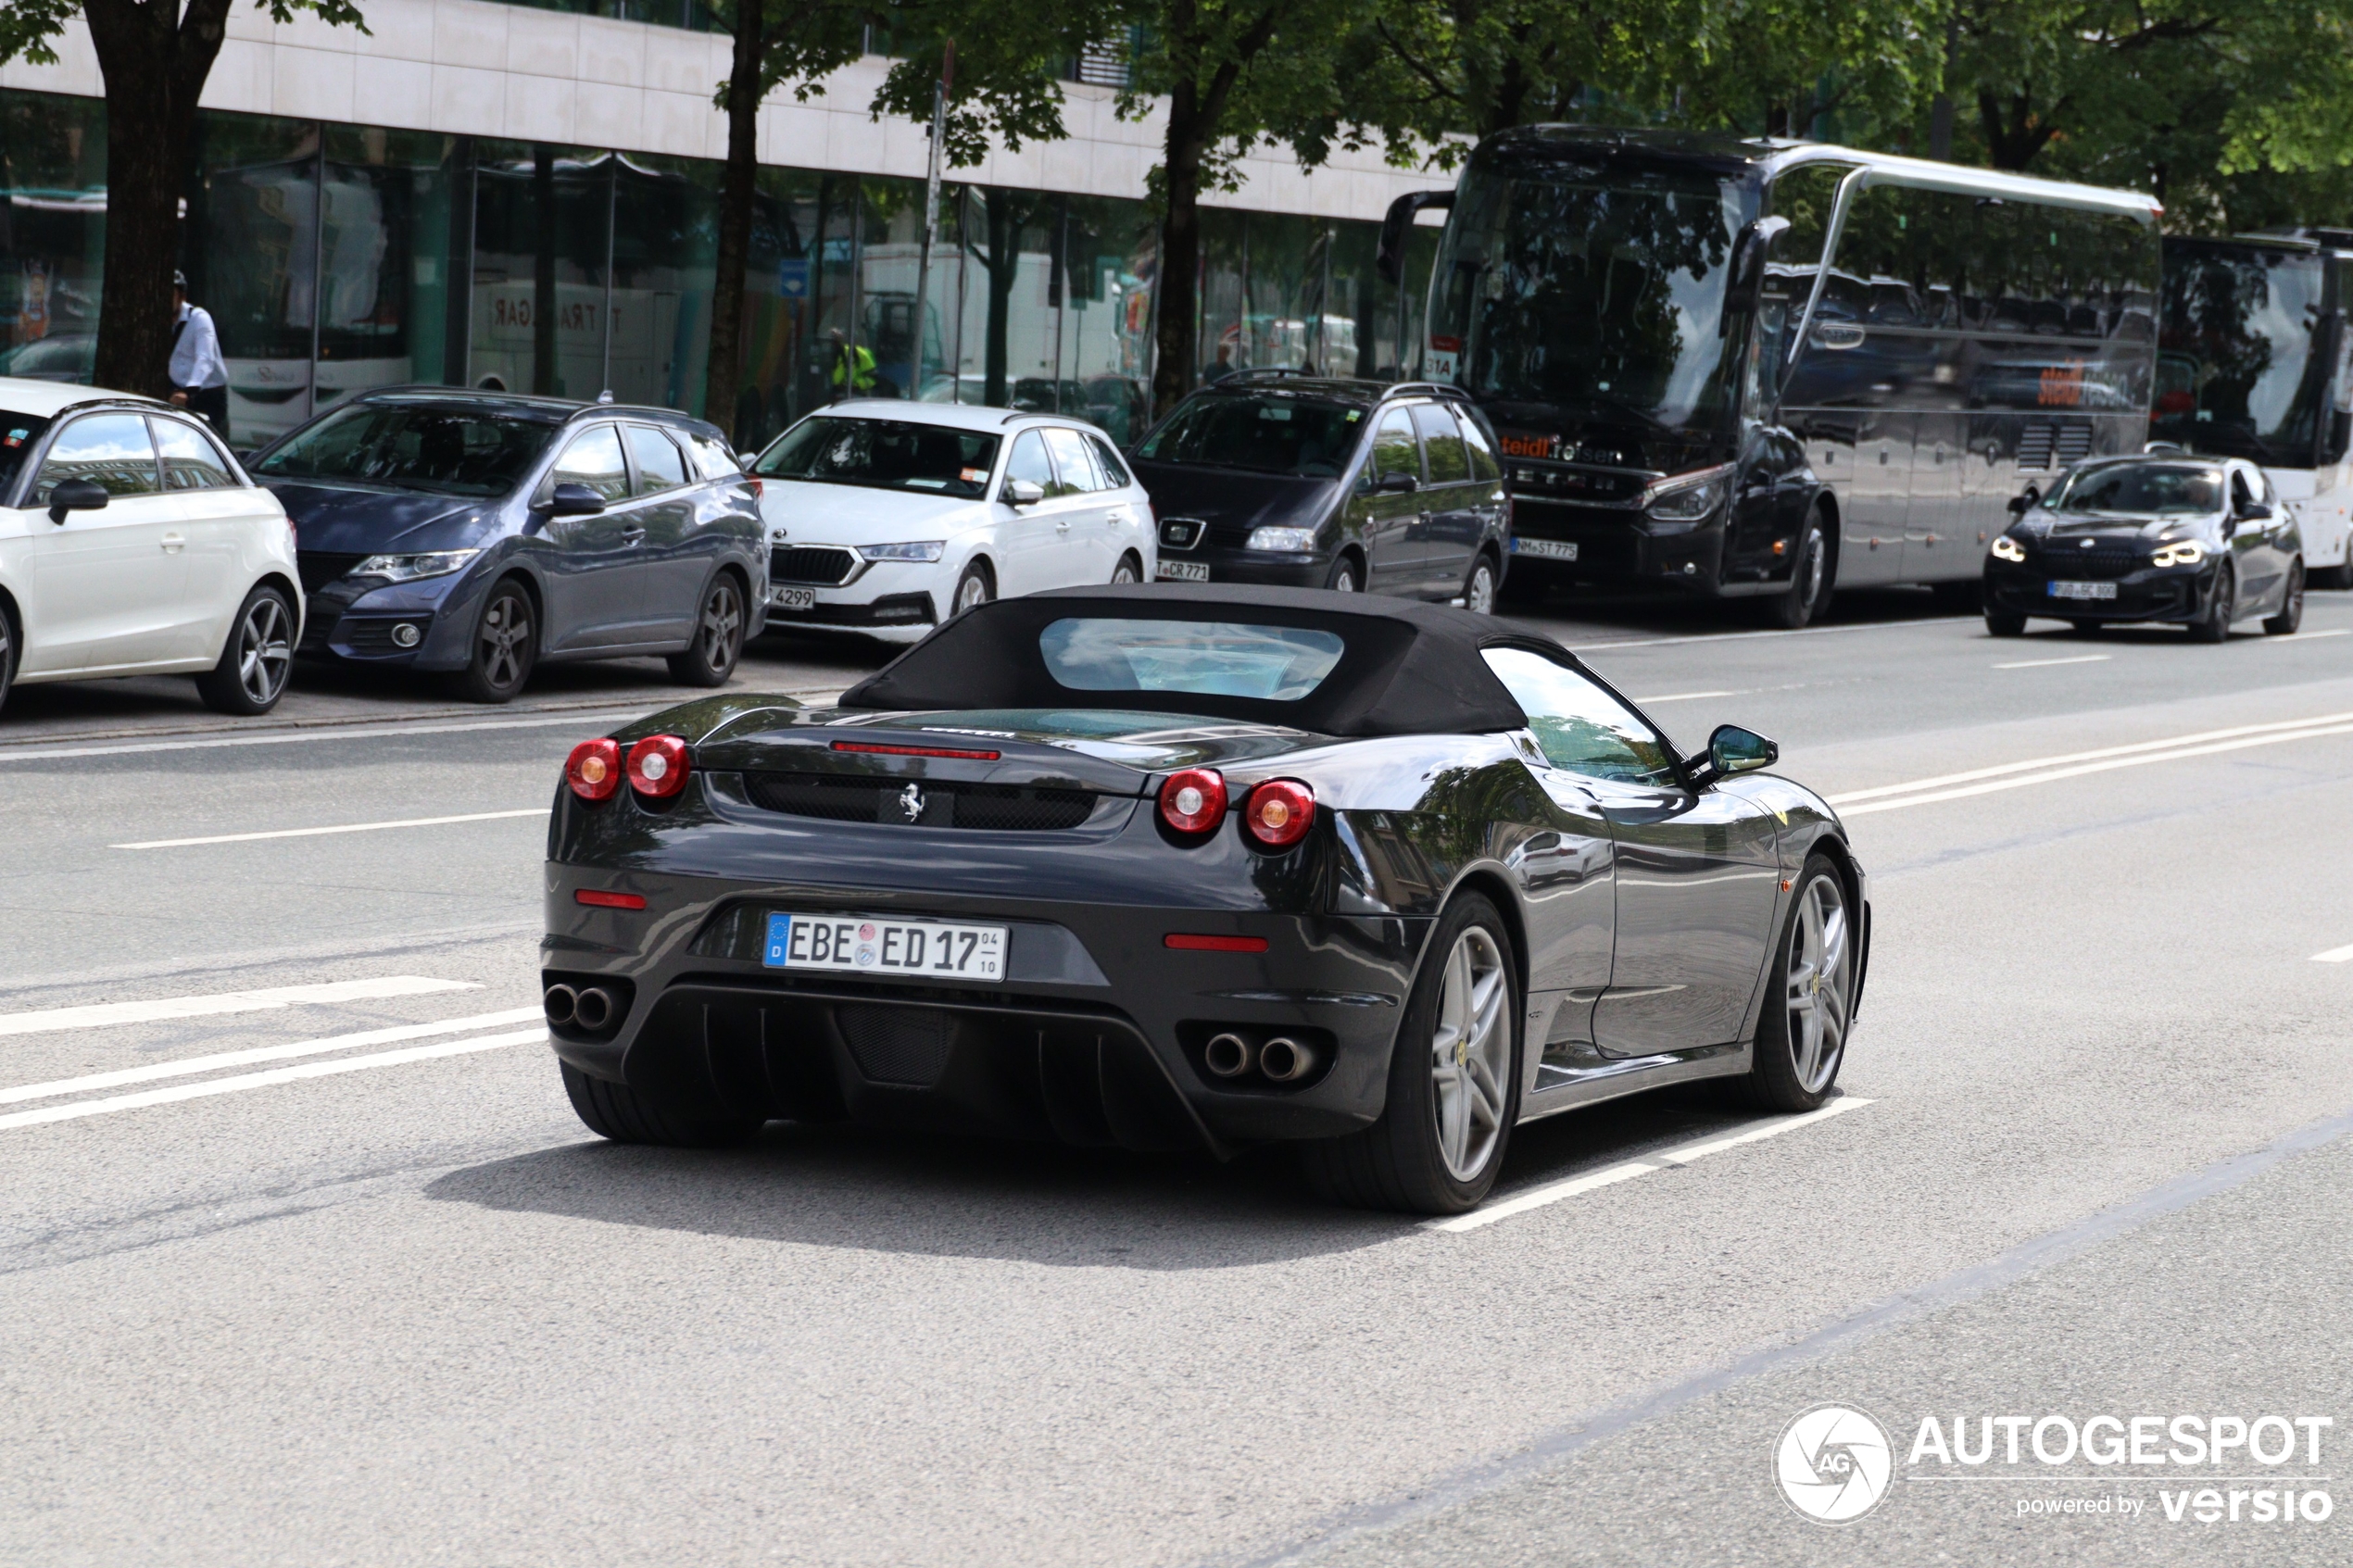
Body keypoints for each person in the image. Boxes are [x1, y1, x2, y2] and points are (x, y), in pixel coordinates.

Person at [169, 270, 230, 442]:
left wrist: (189, 391)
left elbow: (205, 358)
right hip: (178, 395)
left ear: (181, 296)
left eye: (171, 293)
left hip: (207, 396)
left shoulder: (199, 319)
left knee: (212, 447)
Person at [826, 328, 876, 400]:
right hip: (828, 397)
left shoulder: (857, 354)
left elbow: (872, 379)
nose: (831, 345)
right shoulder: (821, 356)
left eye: (834, 340)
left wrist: (855, 386)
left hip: (854, 396)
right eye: (828, 341)